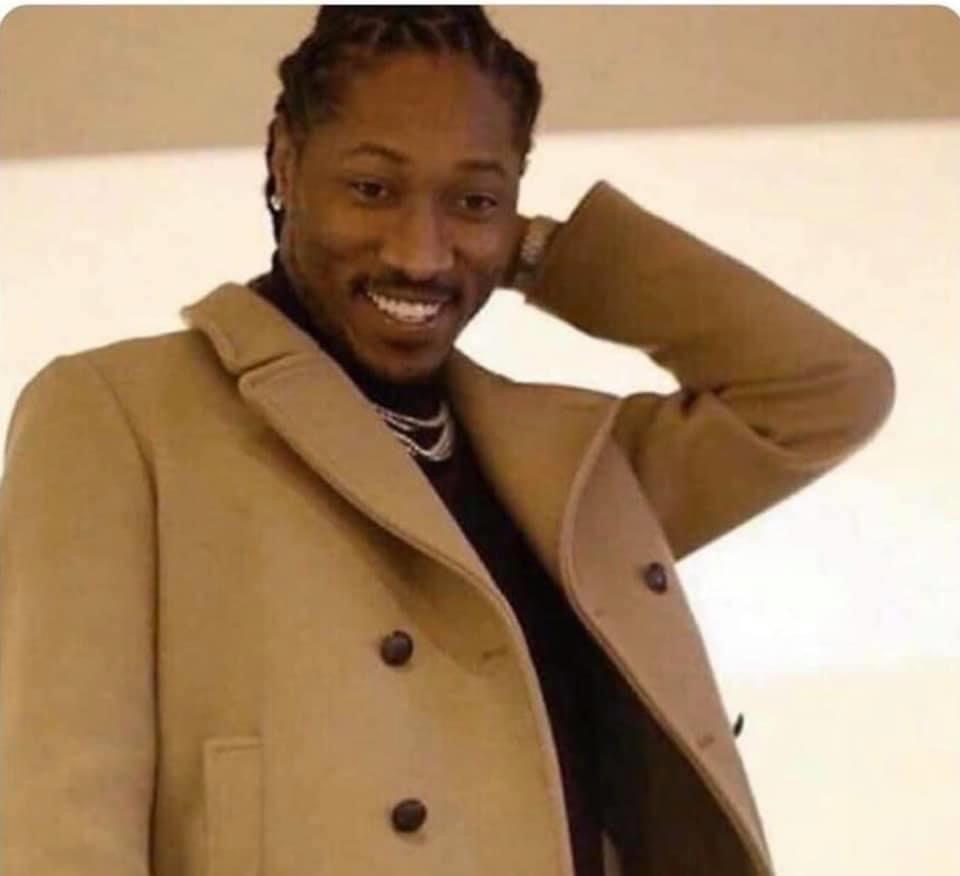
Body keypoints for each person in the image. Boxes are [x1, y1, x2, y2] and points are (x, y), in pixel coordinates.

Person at [0, 7, 895, 876]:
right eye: (373, 189)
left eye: (473, 200)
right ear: (284, 160)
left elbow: (827, 391)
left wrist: (538, 254)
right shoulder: (121, 415)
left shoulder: (567, 471)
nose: (421, 255)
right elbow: (56, 826)